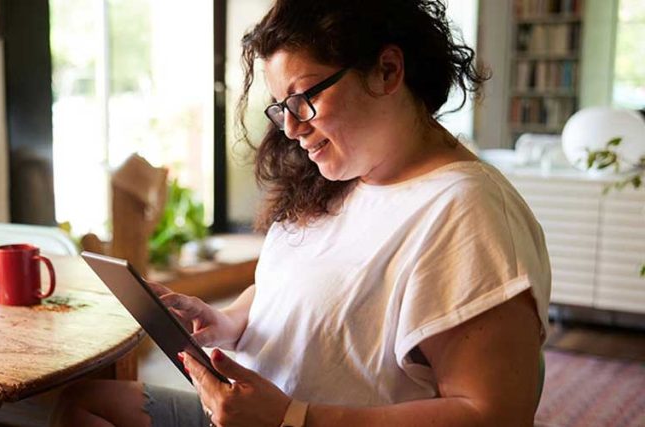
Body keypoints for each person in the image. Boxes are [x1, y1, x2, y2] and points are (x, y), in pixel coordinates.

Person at [53, 0, 550, 425]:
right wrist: (226, 322)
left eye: (304, 97)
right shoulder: (342, 175)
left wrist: (295, 418)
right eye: (280, 105)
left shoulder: (465, 211)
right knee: (80, 405)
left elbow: (494, 415)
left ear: (388, 71)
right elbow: (300, 286)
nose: (290, 128)